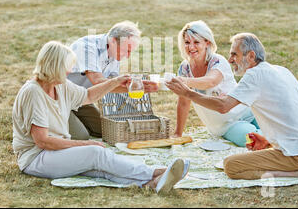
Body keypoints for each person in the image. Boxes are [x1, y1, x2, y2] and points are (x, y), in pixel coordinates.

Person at [12, 41, 189, 193]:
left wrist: (115, 82)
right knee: (96, 153)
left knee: (101, 167)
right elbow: (42, 142)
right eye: (67, 66)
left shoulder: (61, 86)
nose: (71, 70)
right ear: (54, 66)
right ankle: (155, 172)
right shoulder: (33, 93)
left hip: (56, 152)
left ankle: (151, 184)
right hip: (36, 158)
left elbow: (88, 96)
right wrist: (85, 143)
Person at [166, 32, 298, 180]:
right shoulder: (281, 70)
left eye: (234, 54)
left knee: (231, 166)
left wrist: (187, 92)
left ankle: (296, 172)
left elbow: (223, 106)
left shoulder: (254, 76)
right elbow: (292, 114)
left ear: (251, 56)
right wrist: (267, 141)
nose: (230, 59)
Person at [174, 21, 261, 147]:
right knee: (254, 140)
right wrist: (178, 133)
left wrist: (183, 82)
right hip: (226, 124)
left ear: (207, 43)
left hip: (247, 110)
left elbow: (210, 81)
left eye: (196, 42)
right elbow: (183, 102)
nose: (191, 47)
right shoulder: (184, 69)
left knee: (276, 130)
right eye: (187, 42)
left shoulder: (218, 61)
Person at [67, 21, 158, 139]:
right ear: (113, 40)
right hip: (59, 98)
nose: (128, 56)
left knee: (106, 130)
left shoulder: (114, 53)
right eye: (127, 50)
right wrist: (122, 82)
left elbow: (110, 87)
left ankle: (71, 119)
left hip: (82, 99)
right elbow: (98, 81)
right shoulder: (87, 47)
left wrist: (138, 88)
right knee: (81, 136)